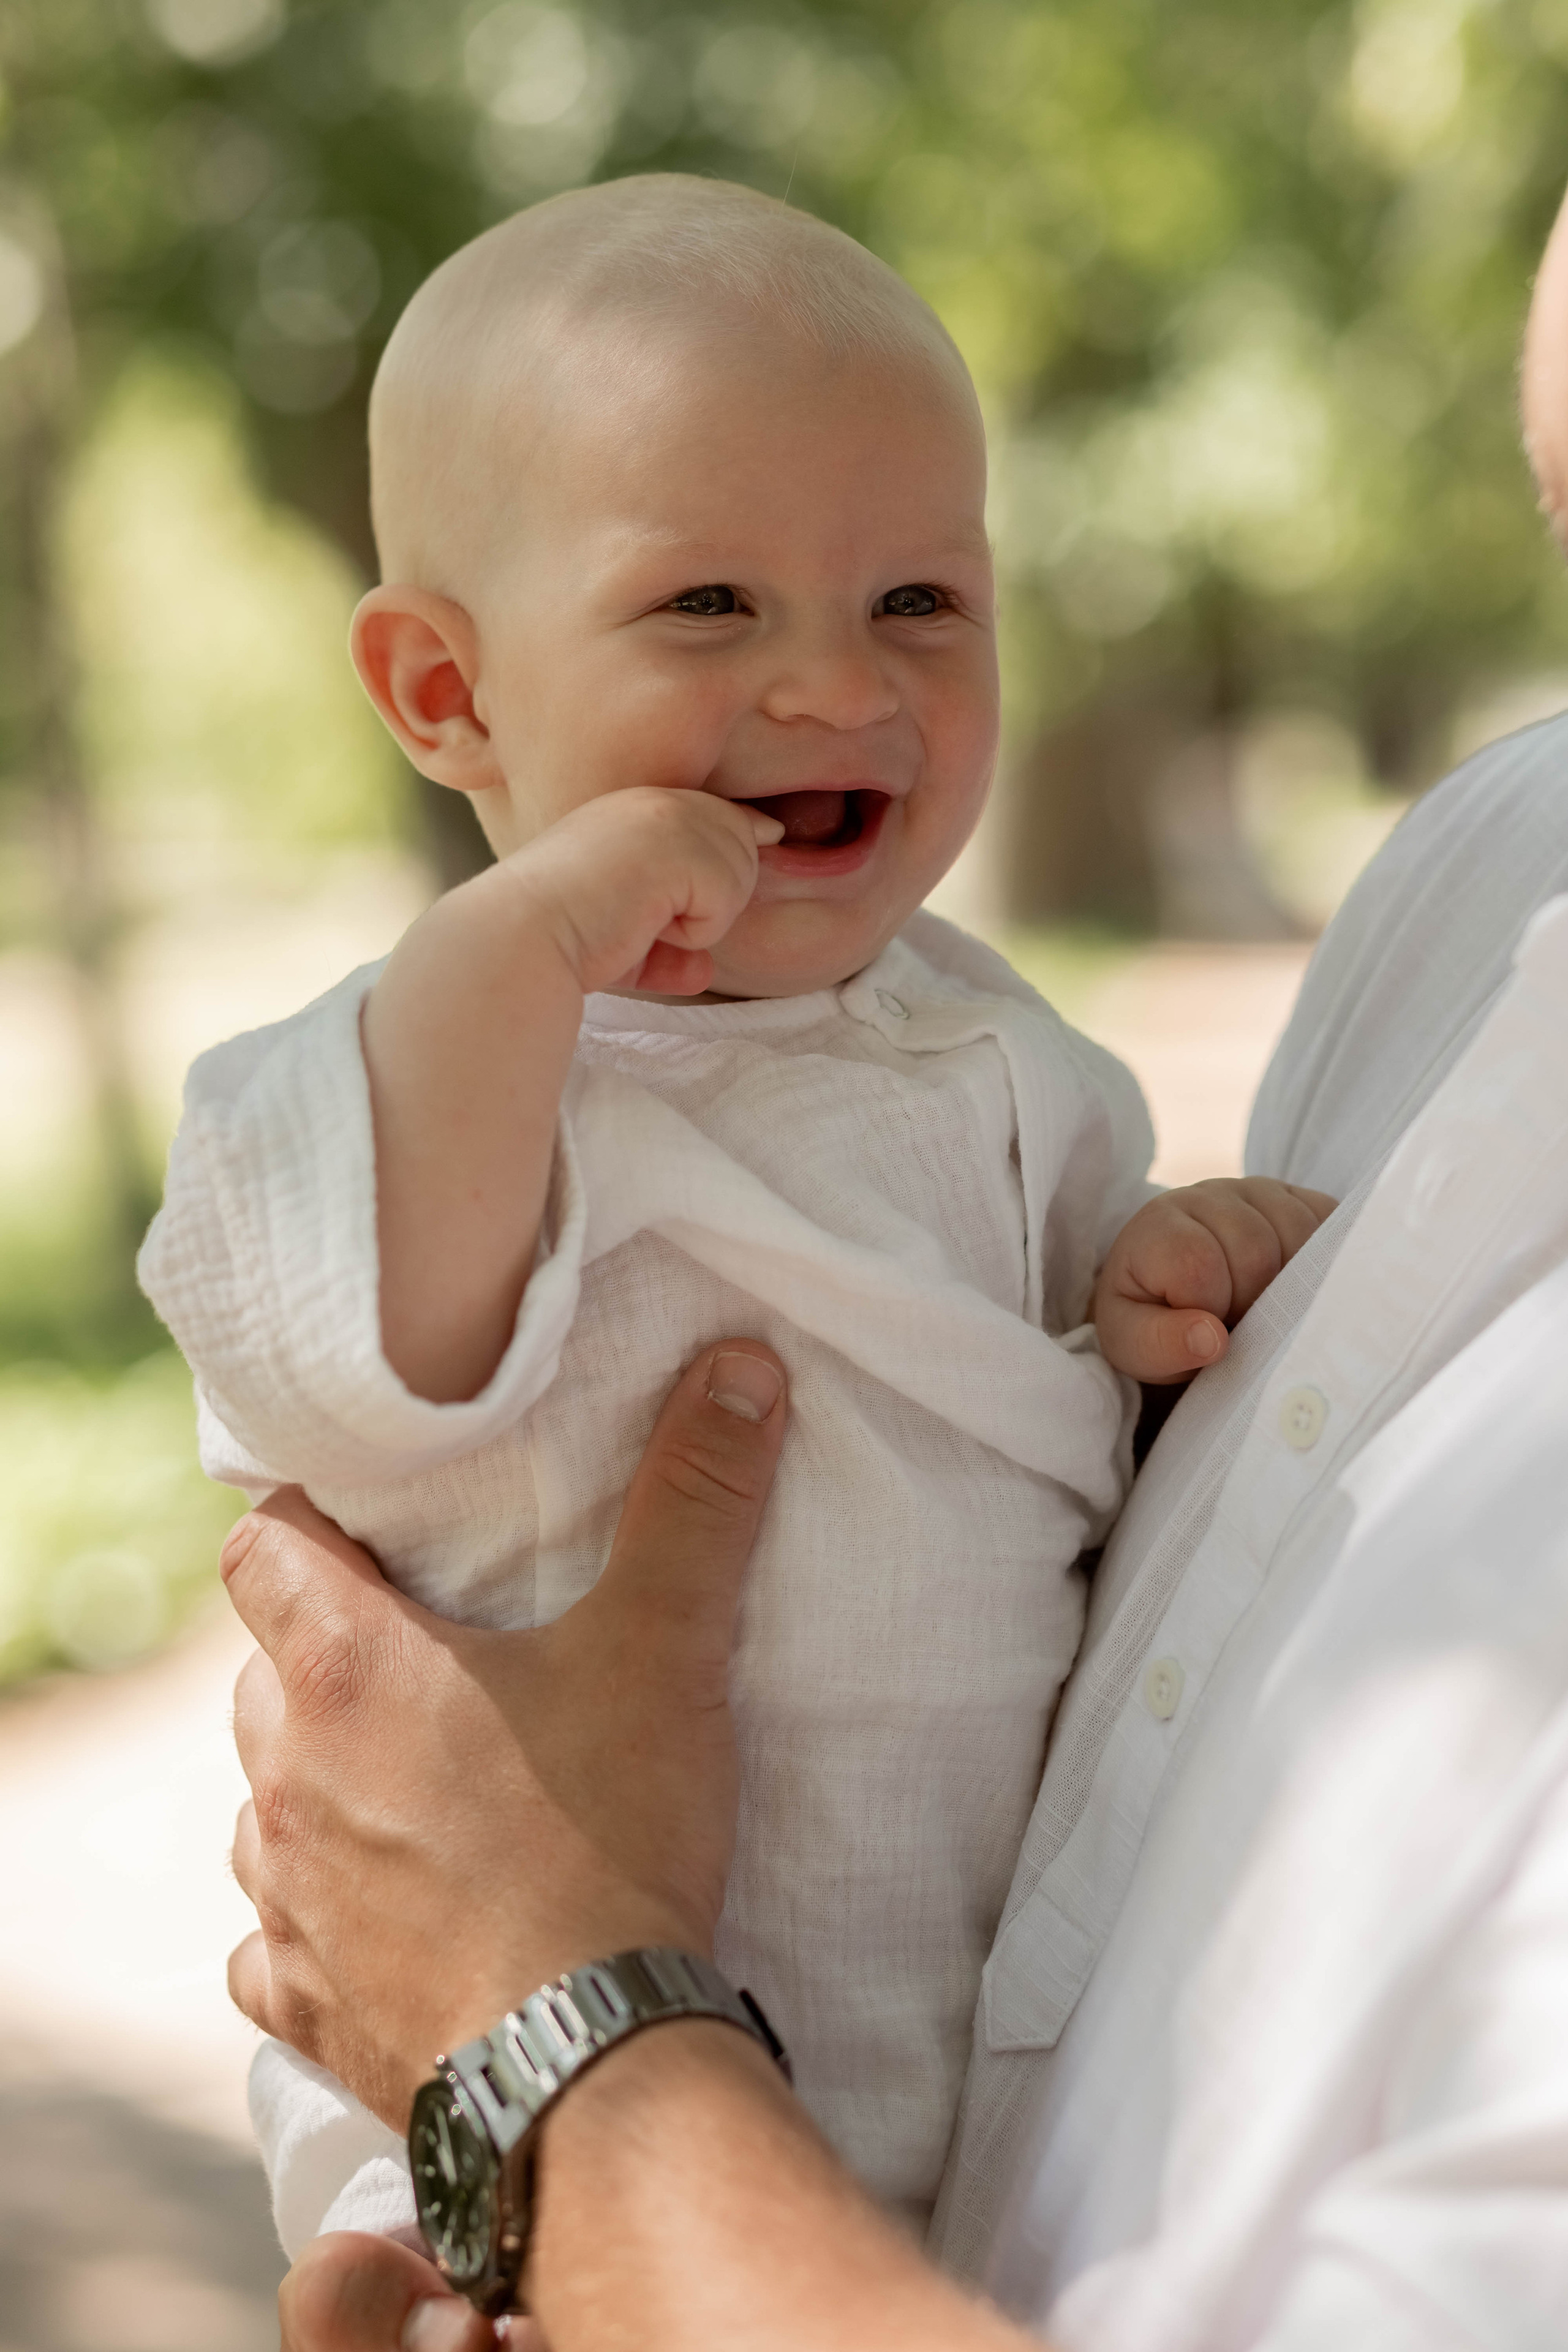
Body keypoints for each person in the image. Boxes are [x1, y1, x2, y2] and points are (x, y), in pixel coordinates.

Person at [225, 175, 1568, 2348]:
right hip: (486, 2080)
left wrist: (1150, 1297)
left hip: (887, 2071)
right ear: (444, 691)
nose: (837, 683)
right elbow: (343, 1353)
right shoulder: (445, 1065)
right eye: (712, 605)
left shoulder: (1004, 1056)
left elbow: (1062, 1418)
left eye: (922, 598)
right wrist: (527, 945)